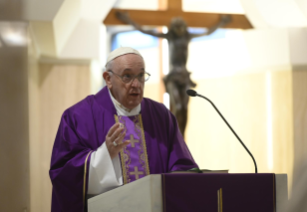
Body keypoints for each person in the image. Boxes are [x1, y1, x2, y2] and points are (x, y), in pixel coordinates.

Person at [49, 47, 198, 212]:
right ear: (108, 78)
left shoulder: (162, 116)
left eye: (141, 76)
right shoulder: (78, 116)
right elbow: (63, 175)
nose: (136, 84)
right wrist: (103, 156)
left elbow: (182, 167)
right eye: (127, 76)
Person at [116, 12, 231, 137]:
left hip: (185, 76)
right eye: (177, 27)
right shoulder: (170, 36)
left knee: (185, 107)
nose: (180, 30)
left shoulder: (187, 36)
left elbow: (207, 32)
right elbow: (145, 31)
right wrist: (128, 19)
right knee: (178, 105)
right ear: (173, 27)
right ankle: (175, 134)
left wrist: (222, 22)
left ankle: (183, 135)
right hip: (173, 76)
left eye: (182, 27)